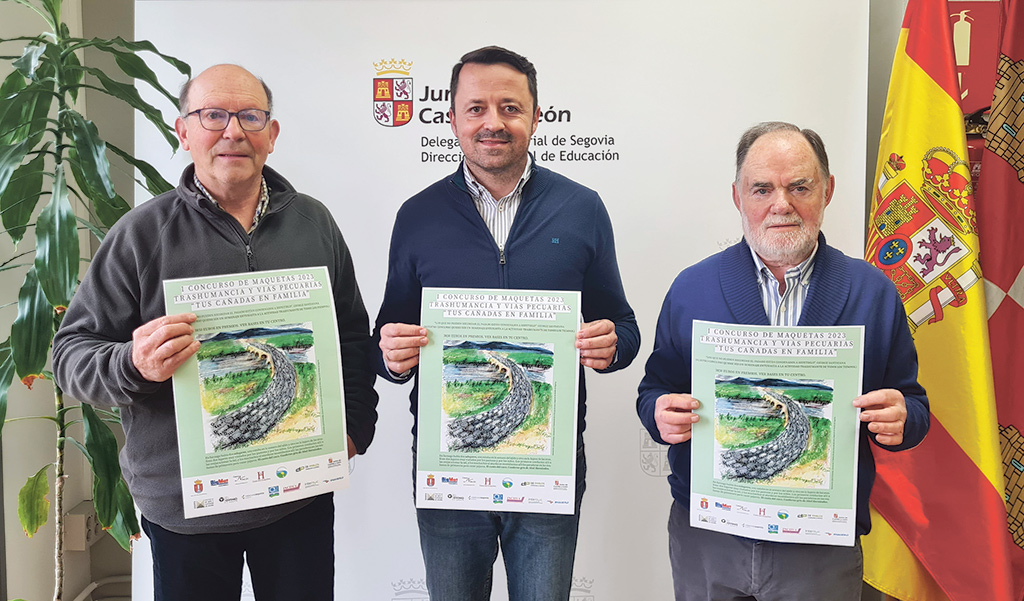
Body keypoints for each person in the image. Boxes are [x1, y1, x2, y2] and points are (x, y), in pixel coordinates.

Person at [52, 64, 378, 601]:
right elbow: (70, 357)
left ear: (271, 135)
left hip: (298, 497)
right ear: (184, 132)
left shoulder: (315, 224)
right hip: (186, 512)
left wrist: (355, 430)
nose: (233, 131)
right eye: (213, 116)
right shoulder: (139, 235)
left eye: (251, 116)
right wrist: (132, 364)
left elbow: (352, 340)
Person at [374, 46, 640, 601]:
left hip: (550, 463)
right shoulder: (417, 215)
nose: (492, 122)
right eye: (476, 108)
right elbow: (387, 333)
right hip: (448, 467)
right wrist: (390, 355)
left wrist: (610, 343)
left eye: (510, 107)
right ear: (451, 117)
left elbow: (624, 326)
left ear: (536, 116)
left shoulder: (582, 207)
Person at [636, 121, 930, 601]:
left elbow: (913, 405)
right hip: (710, 536)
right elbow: (654, 391)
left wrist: (902, 418)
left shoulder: (873, 293)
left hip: (819, 543)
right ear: (737, 197)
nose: (781, 204)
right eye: (762, 189)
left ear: (828, 190)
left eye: (799, 187)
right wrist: (659, 413)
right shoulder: (692, 288)